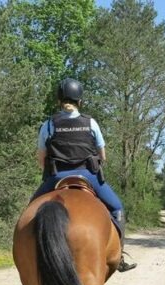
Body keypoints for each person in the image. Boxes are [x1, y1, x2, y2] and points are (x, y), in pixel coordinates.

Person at [33, 77, 136, 272]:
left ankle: (28, 256)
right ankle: (119, 256)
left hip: (56, 177)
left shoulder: (48, 124)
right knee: (117, 208)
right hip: (88, 176)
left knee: (30, 211)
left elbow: (41, 159)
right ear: (80, 101)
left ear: (59, 101)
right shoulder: (91, 123)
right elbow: (102, 156)